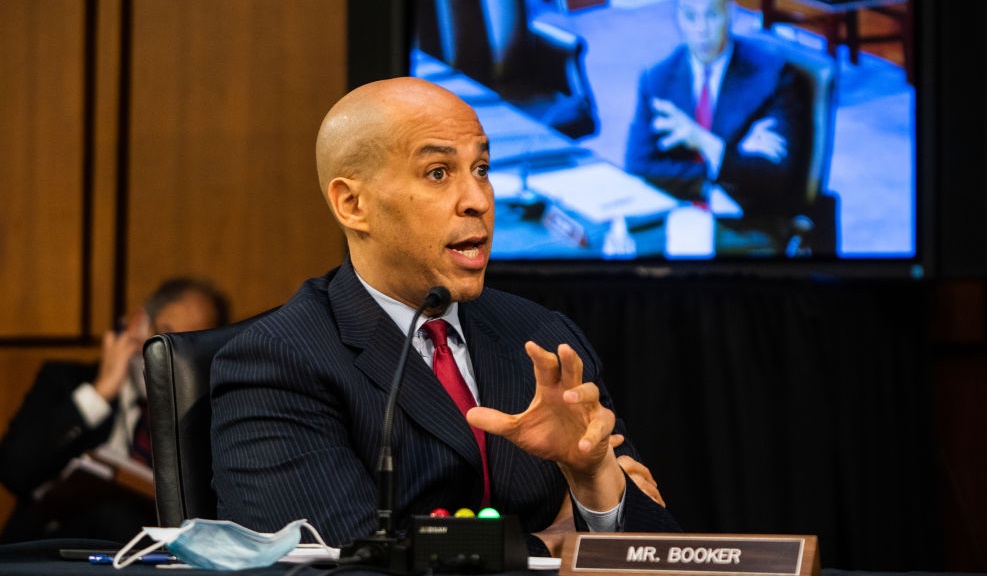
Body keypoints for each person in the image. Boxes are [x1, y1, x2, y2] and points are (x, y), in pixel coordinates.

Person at [209, 76, 680, 558]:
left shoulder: (542, 339)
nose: (477, 199)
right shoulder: (276, 363)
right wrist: (545, 545)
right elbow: (342, 563)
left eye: (481, 168)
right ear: (353, 205)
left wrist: (594, 481)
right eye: (438, 173)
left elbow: (661, 557)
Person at [0, 277, 230, 543]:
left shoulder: (210, 411)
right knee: (112, 514)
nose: (169, 357)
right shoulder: (64, 380)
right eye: (165, 336)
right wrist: (99, 394)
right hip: (52, 543)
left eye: (185, 346)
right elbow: (14, 471)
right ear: (138, 325)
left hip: (152, 552)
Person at [624, 0, 811, 227]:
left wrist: (703, 141)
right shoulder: (657, 79)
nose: (701, 29)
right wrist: (716, 175)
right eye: (691, 17)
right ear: (678, 18)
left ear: (730, 14)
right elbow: (638, 166)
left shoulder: (771, 76)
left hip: (748, 222)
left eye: (712, 15)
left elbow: (776, 177)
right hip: (679, 213)